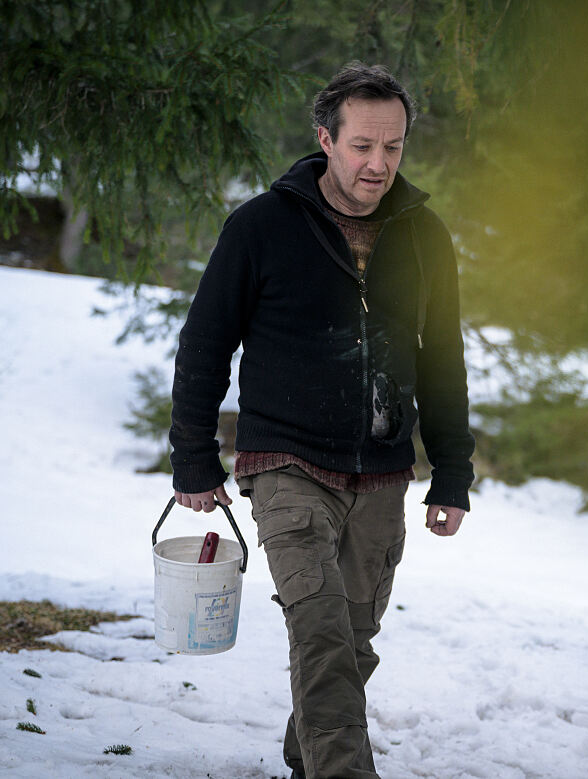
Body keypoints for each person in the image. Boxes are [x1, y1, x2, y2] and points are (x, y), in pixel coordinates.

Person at [168, 62, 475, 779]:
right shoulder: (261, 226)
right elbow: (206, 343)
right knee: (322, 630)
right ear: (326, 140)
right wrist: (194, 456)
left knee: (354, 637)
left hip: (382, 467)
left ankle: (306, 757)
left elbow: (444, 361)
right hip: (285, 461)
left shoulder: (425, 235)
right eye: (363, 146)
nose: (378, 164)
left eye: (393, 147)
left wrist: (452, 473)